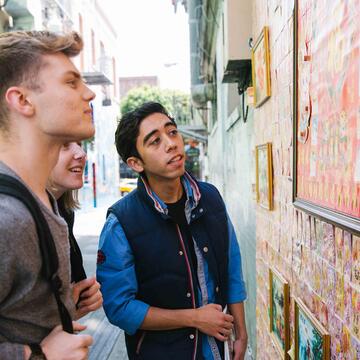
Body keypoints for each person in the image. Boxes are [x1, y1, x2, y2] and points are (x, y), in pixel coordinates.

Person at [97, 102, 248, 360]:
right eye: (155, 141)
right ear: (135, 163)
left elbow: (231, 265)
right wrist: (194, 318)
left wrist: (241, 332)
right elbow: (119, 307)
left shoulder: (209, 198)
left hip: (214, 350)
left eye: (172, 131)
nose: (171, 143)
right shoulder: (121, 221)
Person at [0, 30, 95, 359]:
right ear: (22, 100)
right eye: (71, 82)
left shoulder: (45, 200)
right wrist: (38, 355)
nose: (90, 94)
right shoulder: (6, 219)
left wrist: (64, 306)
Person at [49, 141, 103, 319]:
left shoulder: (65, 211)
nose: (81, 153)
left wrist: (74, 308)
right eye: (64, 144)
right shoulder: (13, 218)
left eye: (80, 144)